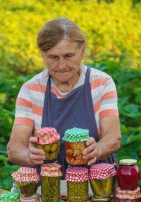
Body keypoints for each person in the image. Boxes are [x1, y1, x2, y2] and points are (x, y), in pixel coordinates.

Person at [7, 17, 121, 172]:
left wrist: (98, 150)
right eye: (53, 57)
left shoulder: (101, 83)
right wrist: (28, 155)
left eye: (68, 56)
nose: (61, 65)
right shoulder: (31, 90)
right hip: (47, 187)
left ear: (82, 51)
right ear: (43, 55)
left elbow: (113, 138)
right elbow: (14, 148)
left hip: (98, 184)